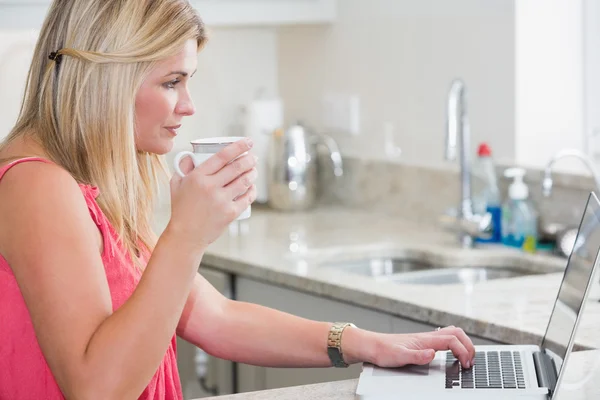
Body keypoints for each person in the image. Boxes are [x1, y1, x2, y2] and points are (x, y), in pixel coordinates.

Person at [0, 0, 476, 399]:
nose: (188, 105)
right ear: (109, 81)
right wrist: (186, 236)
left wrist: (362, 343)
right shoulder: (38, 186)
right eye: (172, 82)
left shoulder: (92, 182)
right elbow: (95, 387)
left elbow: (215, 317)